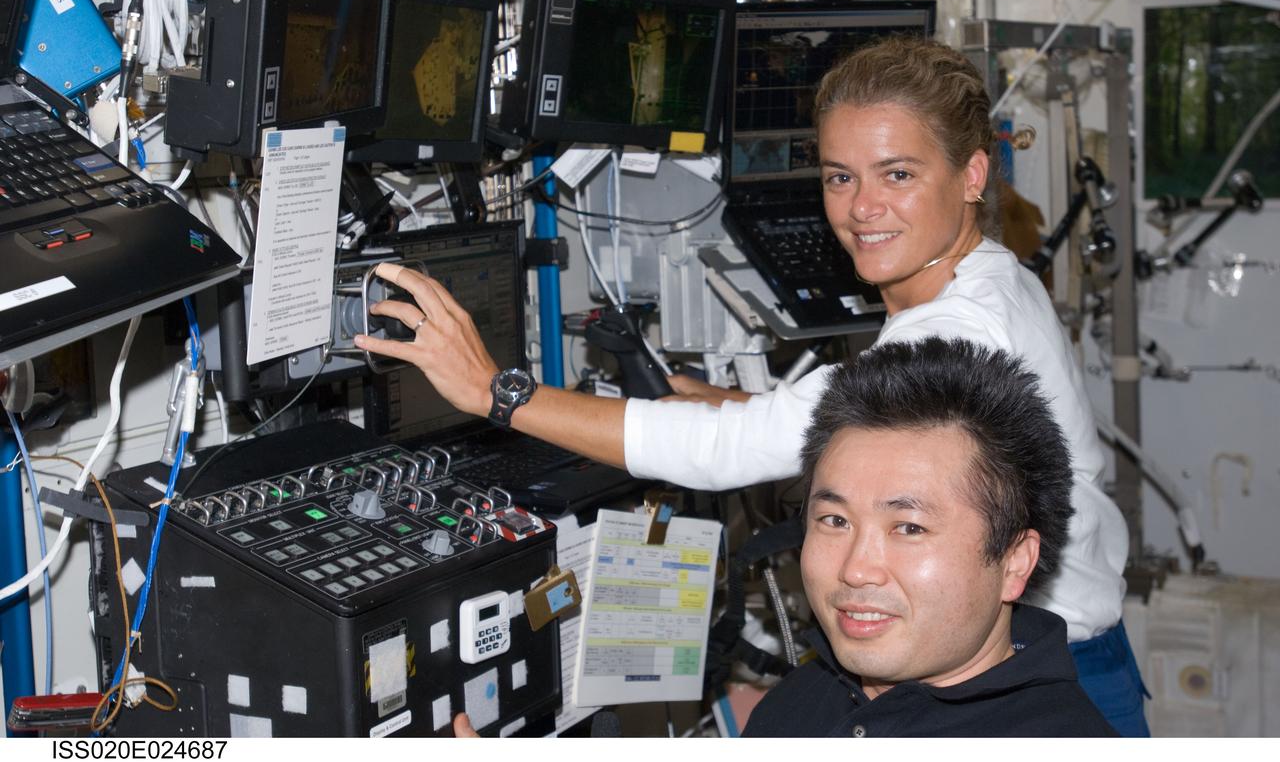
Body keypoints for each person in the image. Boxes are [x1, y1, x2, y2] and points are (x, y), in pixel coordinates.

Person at [355, 37, 1147, 735]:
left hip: (1027, 682)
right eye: (841, 177)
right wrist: (746, 407)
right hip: (1064, 642)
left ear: (972, 173)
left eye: (897, 174)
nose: (863, 208)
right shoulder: (991, 276)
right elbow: (882, 422)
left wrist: (499, 392)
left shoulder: (957, 326)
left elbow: (729, 454)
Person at [742, 337, 1115, 737]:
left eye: (909, 528)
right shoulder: (794, 703)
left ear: (1014, 561)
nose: (855, 570)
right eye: (835, 521)